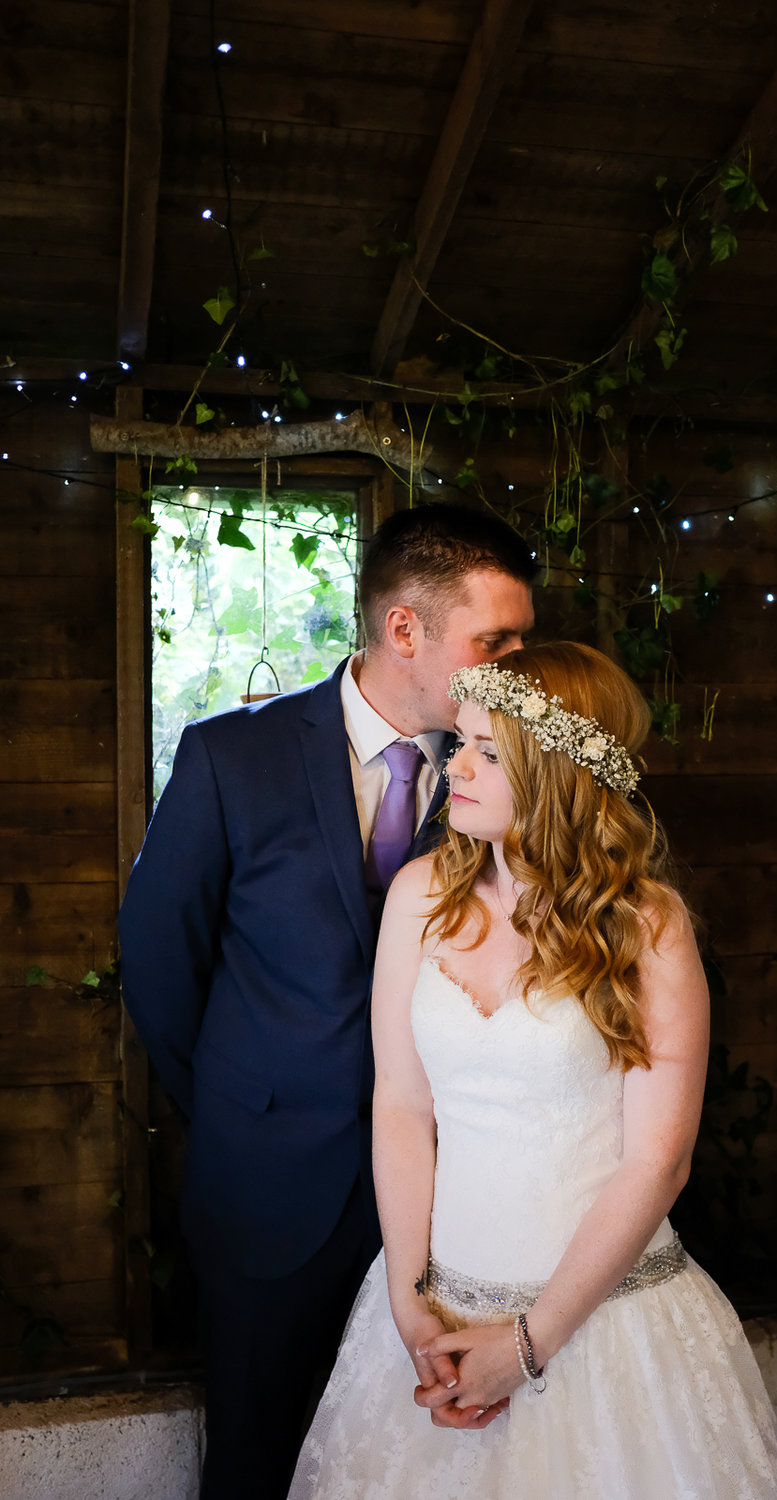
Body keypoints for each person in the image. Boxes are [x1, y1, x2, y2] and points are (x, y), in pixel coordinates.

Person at [288, 641, 777, 1500]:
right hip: (436, 1302)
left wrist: (527, 1346)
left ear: (557, 774)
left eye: (490, 753)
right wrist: (412, 1303)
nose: (457, 769)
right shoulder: (418, 898)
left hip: (603, 1322)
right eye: (462, 744)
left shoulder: (646, 925)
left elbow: (658, 1161)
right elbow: (403, 1107)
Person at [118, 503, 536, 1500]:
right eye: (495, 641)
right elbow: (159, 960)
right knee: (258, 1454)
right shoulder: (232, 758)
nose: (516, 666)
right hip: (267, 1184)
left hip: (459, 1199)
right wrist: (240, 1104)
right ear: (406, 630)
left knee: (422, 1459)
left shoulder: (514, 773)